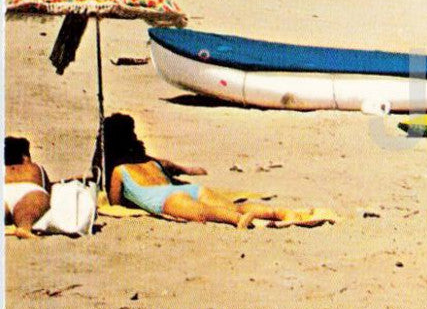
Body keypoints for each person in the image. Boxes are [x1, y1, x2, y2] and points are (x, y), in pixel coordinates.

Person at [102, 113, 329, 228]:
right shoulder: (152, 163)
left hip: (163, 199)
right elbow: (171, 165)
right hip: (190, 189)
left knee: (206, 214)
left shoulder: (119, 171)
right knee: (232, 205)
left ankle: (239, 220)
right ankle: (277, 213)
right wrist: (188, 170)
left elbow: (115, 203)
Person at [5, 136, 52, 239]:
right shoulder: (35, 168)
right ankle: (24, 227)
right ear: (25, 156)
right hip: (30, 190)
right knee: (29, 208)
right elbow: (47, 188)